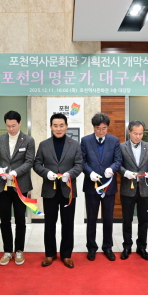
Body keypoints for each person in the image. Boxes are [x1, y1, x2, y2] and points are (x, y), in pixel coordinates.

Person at [33, 113, 83, 268]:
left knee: (68, 224)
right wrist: (46, 173)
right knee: (49, 224)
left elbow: (79, 165)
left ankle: (66, 255)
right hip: (50, 190)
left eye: (61, 125)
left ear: (66, 126)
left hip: (68, 191)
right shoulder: (44, 145)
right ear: (51, 127)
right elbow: (37, 164)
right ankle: (50, 253)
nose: (58, 128)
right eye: (55, 126)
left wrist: (69, 175)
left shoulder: (75, 144)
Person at [0, 110, 35, 266]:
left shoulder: (28, 140)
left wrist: (15, 173)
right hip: (3, 186)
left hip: (20, 186)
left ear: (20, 123)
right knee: (4, 220)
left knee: (20, 219)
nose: (11, 129)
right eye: (8, 126)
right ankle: (7, 251)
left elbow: (29, 161)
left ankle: (19, 250)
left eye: (14, 126)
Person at [81, 112, 122, 261]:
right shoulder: (85, 141)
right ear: (94, 127)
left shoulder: (114, 141)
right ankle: (91, 247)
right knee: (91, 218)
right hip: (91, 185)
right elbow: (82, 161)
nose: (101, 131)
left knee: (108, 218)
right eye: (98, 128)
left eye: (104, 128)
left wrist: (112, 168)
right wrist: (90, 173)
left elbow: (118, 160)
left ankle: (108, 247)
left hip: (108, 186)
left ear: (107, 127)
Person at [118, 120, 148, 260]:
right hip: (127, 189)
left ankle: (142, 247)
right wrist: (125, 173)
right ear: (129, 132)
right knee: (127, 220)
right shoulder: (122, 147)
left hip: (144, 189)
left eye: (141, 134)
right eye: (135, 133)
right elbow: (118, 165)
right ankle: (127, 246)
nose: (138, 136)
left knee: (143, 221)